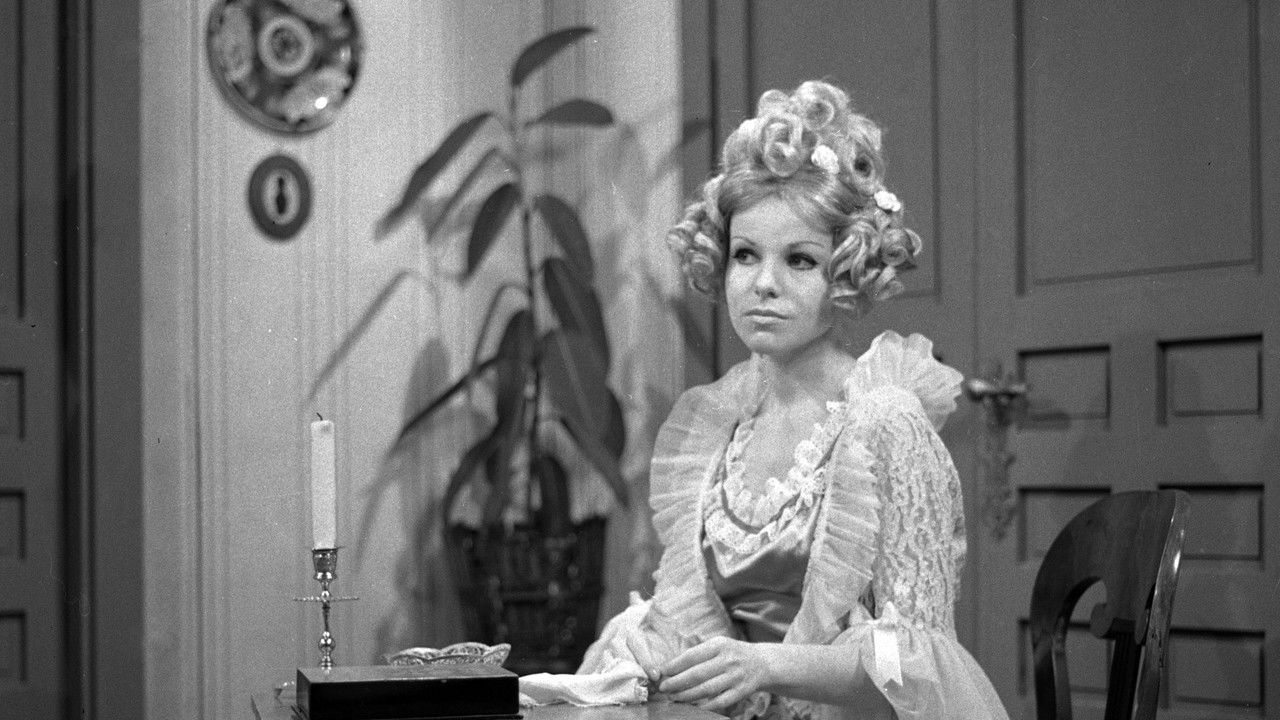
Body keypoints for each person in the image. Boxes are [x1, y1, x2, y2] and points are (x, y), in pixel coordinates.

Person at [572, 81, 1009, 720]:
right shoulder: (716, 424)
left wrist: (768, 666)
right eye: (745, 255)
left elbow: (919, 668)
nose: (764, 284)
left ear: (846, 269)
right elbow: (701, 619)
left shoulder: (885, 422)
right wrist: (667, 649)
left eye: (800, 261)